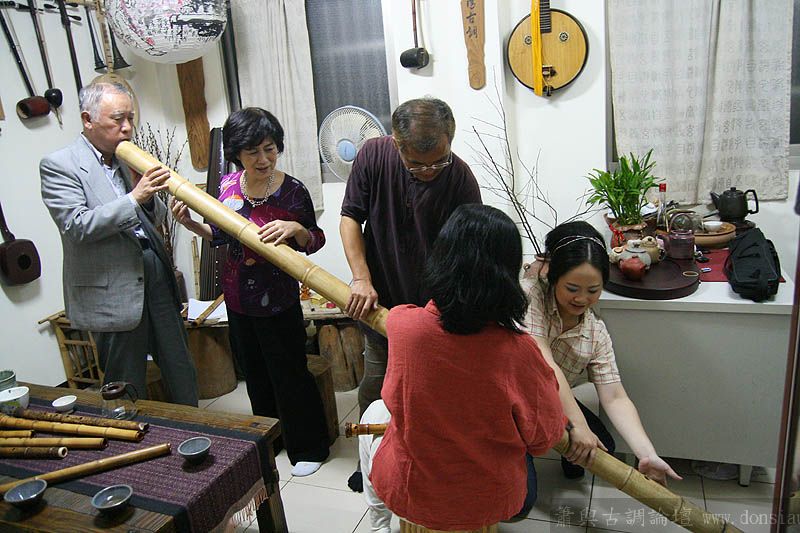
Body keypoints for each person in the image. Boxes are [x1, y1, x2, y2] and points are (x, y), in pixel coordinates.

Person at [360, 204, 566, 532]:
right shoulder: (519, 351)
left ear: (441, 260)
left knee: (373, 413)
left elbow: (394, 399)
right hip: (489, 500)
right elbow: (543, 438)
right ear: (506, 275)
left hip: (412, 492)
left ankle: (378, 524)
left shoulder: (403, 325)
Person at [172, 107, 329, 476]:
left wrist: (295, 229)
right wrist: (190, 223)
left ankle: (308, 448)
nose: (263, 159)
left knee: (290, 373)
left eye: (270, 149)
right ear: (236, 153)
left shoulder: (292, 191)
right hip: (238, 298)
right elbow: (219, 235)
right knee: (255, 375)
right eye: (253, 152)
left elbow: (315, 239)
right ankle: (271, 439)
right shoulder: (227, 186)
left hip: (279, 300)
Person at [340, 97, 482, 490]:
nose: (429, 172)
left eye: (438, 161)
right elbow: (350, 217)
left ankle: (423, 461)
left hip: (433, 310)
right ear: (397, 143)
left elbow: (469, 251)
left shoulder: (460, 179)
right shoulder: (374, 156)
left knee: (431, 391)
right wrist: (360, 277)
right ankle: (370, 460)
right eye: (417, 165)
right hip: (380, 302)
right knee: (377, 385)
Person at [40, 81, 198, 405]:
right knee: (125, 382)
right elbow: (76, 226)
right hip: (112, 287)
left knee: (181, 367)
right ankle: (132, 436)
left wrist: (148, 197)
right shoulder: (59, 165)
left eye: (130, 118)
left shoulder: (125, 158)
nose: (127, 127)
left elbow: (152, 216)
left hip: (154, 273)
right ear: (88, 119)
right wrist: (134, 197)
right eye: (117, 119)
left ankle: (198, 429)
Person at [518, 220, 680, 515]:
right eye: (572, 288)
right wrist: (577, 424)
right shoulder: (532, 296)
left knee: (602, 445)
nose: (582, 299)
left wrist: (646, 453)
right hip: (513, 401)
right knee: (519, 504)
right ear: (553, 277)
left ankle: (561, 448)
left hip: (552, 400)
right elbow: (545, 364)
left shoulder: (596, 332)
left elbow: (615, 396)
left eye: (593, 290)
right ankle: (523, 447)